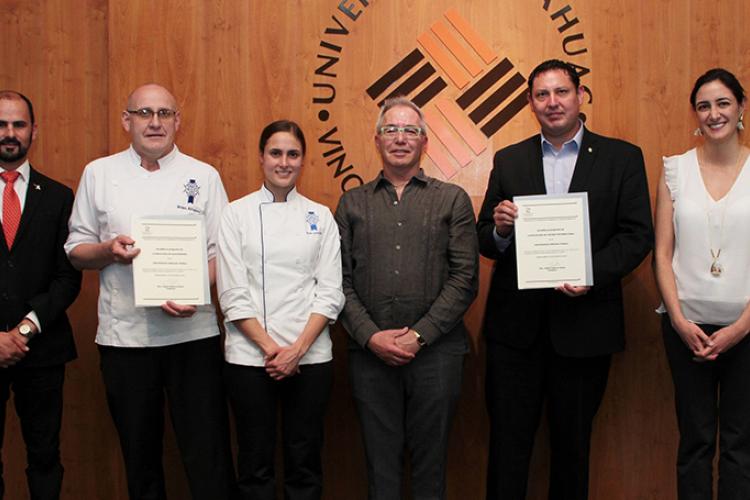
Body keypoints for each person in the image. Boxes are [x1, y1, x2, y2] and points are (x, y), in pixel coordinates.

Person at [477, 59, 653, 500]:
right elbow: (484, 237)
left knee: (573, 452)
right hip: (515, 335)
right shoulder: (509, 159)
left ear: (580, 96)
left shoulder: (622, 158)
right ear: (530, 104)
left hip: (584, 331)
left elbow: (637, 236)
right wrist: (500, 230)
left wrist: (589, 272)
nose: (552, 103)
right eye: (541, 95)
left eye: (561, 92)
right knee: (507, 450)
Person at [64, 84, 235, 499]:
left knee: (208, 456)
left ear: (178, 121)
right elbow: (75, 251)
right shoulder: (99, 173)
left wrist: (195, 290)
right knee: (140, 460)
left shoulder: (204, 176)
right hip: (126, 341)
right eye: (144, 113)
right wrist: (107, 251)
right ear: (127, 120)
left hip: (193, 337)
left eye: (164, 113)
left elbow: (224, 254)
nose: (155, 122)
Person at [335, 96, 479, 500]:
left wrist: (417, 336)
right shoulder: (352, 203)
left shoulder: (452, 200)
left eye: (410, 130)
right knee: (380, 470)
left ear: (425, 142)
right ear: (377, 140)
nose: (401, 138)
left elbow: (465, 278)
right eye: (392, 130)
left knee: (431, 469)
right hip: (370, 357)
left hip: (437, 356)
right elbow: (338, 281)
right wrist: (370, 336)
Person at [217, 120, 344, 499]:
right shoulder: (235, 215)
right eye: (276, 153)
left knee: (304, 460)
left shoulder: (320, 216)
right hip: (249, 357)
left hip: (310, 356)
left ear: (303, 160)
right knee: (254, 463)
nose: (284, 162)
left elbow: (331, 292)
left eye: (293, 154)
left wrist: (296, 350)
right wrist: (272, 349)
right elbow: (232, 294)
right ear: (261, 157)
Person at [654, 68, 750, 500]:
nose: (714, 114)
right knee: (694, 443)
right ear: (695, 114)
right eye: (704, 105)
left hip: (747, 330)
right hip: (685, 330)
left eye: (723, 103)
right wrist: (677, 319)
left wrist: (740, 328)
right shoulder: (674, 170)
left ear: (741, 108)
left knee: (740, 446)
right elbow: (661, 253)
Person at [0, 90, 81, 500]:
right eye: (2, 124)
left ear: (34, 131)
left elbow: (67, 278)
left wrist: (25, 328)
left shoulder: (59, 197)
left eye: (19, 124)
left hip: (42, 349)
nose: (10, 133)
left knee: (45, 456)